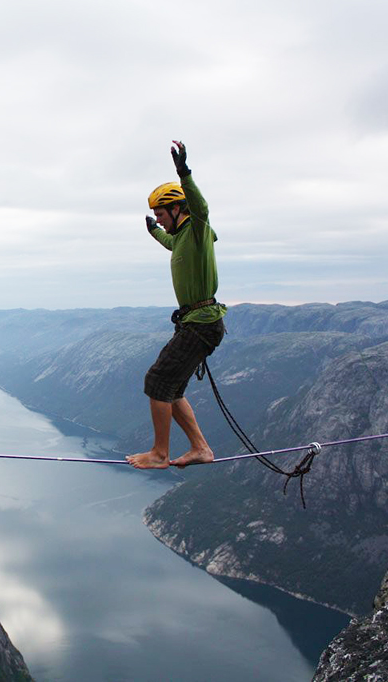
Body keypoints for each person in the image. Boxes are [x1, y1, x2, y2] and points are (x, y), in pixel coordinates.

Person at [127, 141, 227, 469]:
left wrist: (184, 173)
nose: (160, 219)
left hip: (201, 323)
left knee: (157, 381)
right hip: (195, 323)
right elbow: (171, 242)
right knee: (171, 387)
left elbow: (202, 209)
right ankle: (200, 448)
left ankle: (160, 453)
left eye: (161, 213)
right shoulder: (182, 238)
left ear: (177, 209)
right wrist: (154, 231)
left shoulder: (197, 230)